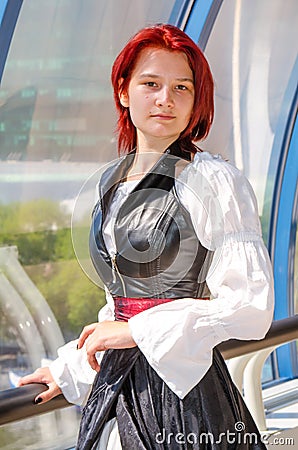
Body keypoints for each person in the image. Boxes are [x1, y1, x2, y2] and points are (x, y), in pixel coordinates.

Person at [19, 24, 274, 449]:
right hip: (117, 392)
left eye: (181, 88)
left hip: (187, 401)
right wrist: (70, 369)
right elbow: (120, 304)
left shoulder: (214, 180)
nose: (165, 99)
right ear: (123, 91)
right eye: (151, 84)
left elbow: (251, 308)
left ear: (196, 101)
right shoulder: (112, 185)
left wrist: (136, 331)